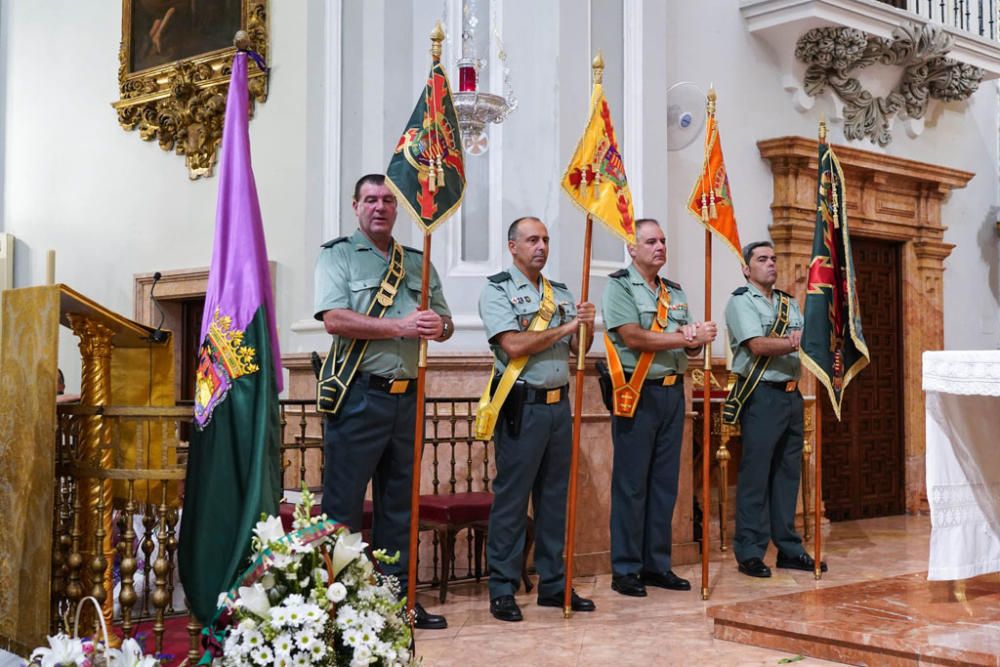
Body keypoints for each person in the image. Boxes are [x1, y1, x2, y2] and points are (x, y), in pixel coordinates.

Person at [313, 173, 454, 629]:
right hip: (358, 395)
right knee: (344, 509)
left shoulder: (418, 261)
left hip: (406, 399)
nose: (380, 207)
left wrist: (439, 327)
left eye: (388, 201)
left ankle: (398, 601)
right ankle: (344, 606)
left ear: (398, 209)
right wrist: (400, 328)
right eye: (371, 199)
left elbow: (446, 321)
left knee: (400, 506)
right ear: (355, 206)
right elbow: (334, 319)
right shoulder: (337, 256)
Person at [478, 216, 597, 622]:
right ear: (513, 246)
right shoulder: (497, 289)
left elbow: (579, 349)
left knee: (554, 500)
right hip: (521, 406)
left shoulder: (559, 292)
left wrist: (585, 326)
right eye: (532, 240)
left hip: (558, 406)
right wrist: (567, 327)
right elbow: (512, 345)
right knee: (512, 501)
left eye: (545, 239)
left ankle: (553, 583)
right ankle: (502, 588)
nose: (541, 246)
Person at [601, 219, 717, 597]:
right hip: (637, 391)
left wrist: (697, 341)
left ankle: (657, 564)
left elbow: (685, 345)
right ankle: (626, 569)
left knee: (665, 485)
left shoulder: (675, 292)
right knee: (632, 485)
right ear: (632, 249)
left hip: (672, 392)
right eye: (651, 241)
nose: (660, 247)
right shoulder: (619, 286)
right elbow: (632, 336)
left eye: (663, 240)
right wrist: (682, 337)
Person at [724, 241, 827, 578]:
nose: (770, 264)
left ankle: (788, 548)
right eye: (762, 259)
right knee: (755, 475)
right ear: (746, 268)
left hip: (790, 395)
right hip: (761, 395)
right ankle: (750, 552)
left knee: (787, 474)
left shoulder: (787, 302)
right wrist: (793, 342)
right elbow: (756, 345)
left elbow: (805, 341)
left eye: (773, 258)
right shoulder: (741, 302)